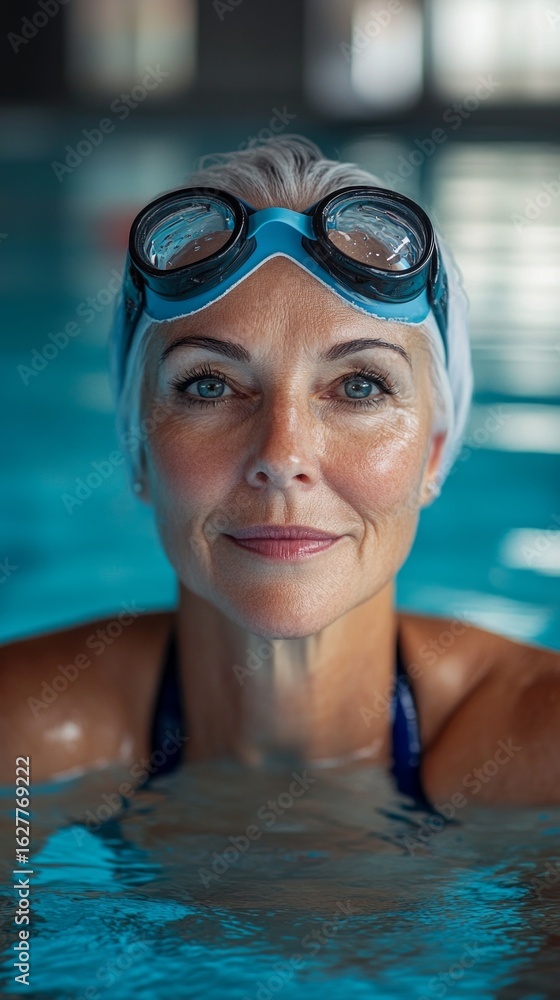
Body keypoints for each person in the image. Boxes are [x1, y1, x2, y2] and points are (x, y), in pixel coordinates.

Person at [1, 135, 559, 807]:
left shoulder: (540, 753)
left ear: (435, 451)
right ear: (138, 447)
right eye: (208, 386)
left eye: (359, 387)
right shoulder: (24, 743)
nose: (282, 457)